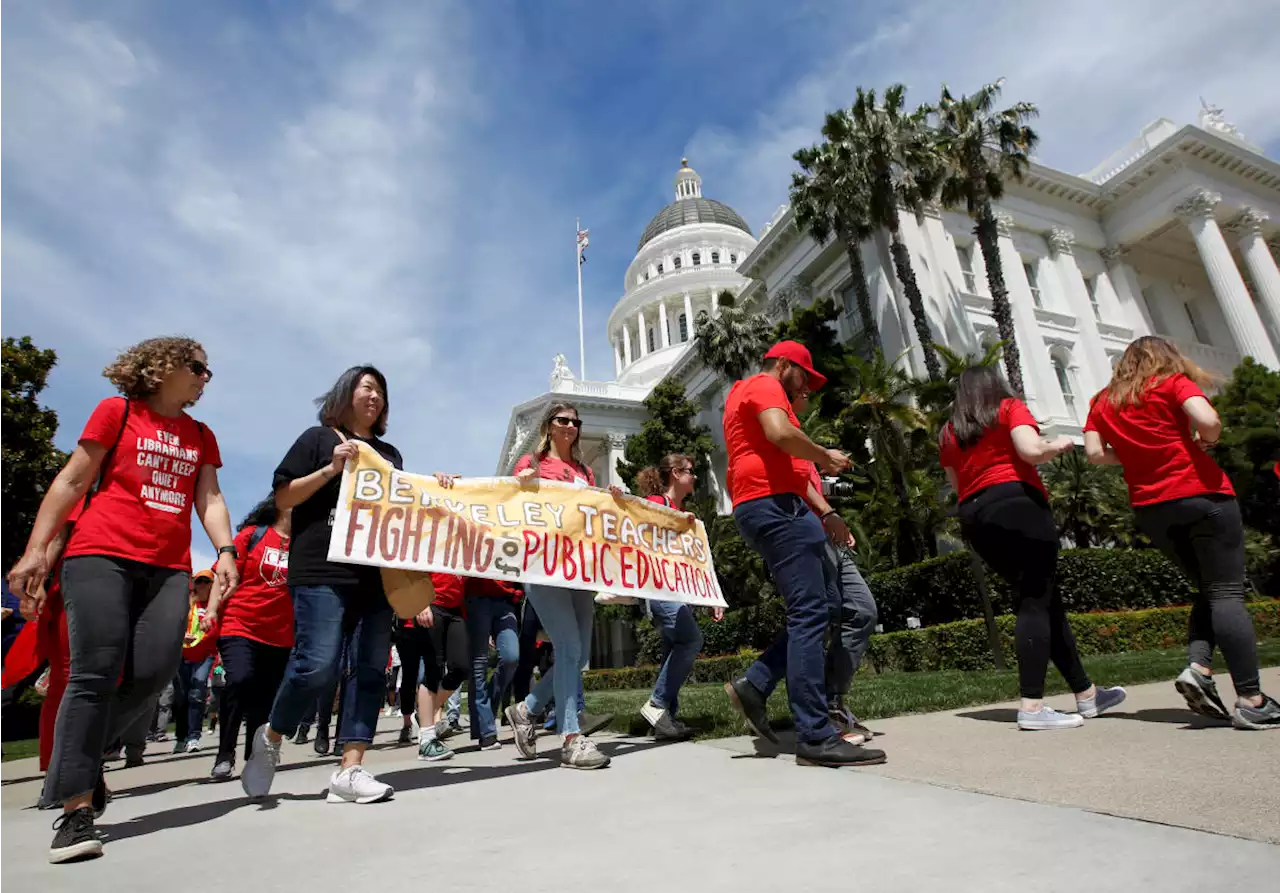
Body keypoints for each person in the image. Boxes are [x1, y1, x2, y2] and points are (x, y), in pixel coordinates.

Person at [7, 336, 237, 863]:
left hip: (167, 565)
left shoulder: (201, 435)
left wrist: (225, 550)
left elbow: (210, 496)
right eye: (197, 367)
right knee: (94, 673)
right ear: (162, 367)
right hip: (100, 554)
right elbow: (72, 479)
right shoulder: (118, 411)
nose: (205, 377)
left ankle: (79, 763)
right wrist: (36, 551)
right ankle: (76, 810)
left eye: (208, 371)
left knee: (156, 671)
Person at [1084, 336, 1279, 730]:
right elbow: (1208, 421)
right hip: (1201, 494)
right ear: (1166, 359)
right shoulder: (1172, 382)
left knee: (1209, 590)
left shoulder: (1102, 402)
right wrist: (1204, 440)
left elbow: (1094, 454)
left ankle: (1199, 669)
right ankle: (1251, 699)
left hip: (1152, 509)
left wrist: (1140, 453)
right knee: (1226, 592)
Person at [239, 365, 401, 804]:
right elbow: (285, 497)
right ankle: (271, 736)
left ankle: (351, 769)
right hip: (321, 570)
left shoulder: (390, 454)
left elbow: (405, 508)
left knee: (369, 671)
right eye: (368, 387)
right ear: (347, 393)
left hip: (374, 574)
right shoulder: (316, 440)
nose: (375, 397)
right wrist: (331, 469)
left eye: (381, 392)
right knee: (316, 666)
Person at [720, 341, 884, 767]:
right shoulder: (765, 385)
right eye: (806, 378)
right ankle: (814, 734)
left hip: (773, 503)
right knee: (811, 613)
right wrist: (824, 454)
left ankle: (756, 685)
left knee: (824, 607)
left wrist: (826, 509)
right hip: (775, 506)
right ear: (786, 365)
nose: (807, 388)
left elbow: (789, 463)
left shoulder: (749, 393)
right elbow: (780, 433)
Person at [939, 365, 1126, 731]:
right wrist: (1053, 446)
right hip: (1017, 503)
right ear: (994, 385)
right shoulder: (1007, 407)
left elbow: (957, 484)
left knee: (1042, 599)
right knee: (1035, 599)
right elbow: (1030, 450)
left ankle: (1087, 695)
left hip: (976, 516)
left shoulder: (948, 432)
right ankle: (1033, 706)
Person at [503, 403, 612, 770]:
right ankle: (570, 737)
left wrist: (611, 502)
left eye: (575, 422)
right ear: (548, 426)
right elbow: (511, 500)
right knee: (567, 645)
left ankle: (526, 709)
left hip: (581, 569)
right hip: (545, 567)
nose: (570, 426)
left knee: (578, 656)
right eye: (562, 420)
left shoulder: (584, 471)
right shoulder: (532, 464)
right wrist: (524, 483)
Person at [790, 385, 878, 743]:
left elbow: (806, 481)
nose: (809, 397)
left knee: (862, 610)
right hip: (810, 531)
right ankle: (823, 707)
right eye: (805, 391)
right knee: (817, 617)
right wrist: (827, 513)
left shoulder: (799, 441)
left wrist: (830, 500)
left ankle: (832, 700)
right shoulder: (784, 434)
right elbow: (792, 481)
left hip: (829, 534)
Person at [633, 454, 723, 741]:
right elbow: (636, 528)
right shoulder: (659, 504)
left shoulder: (682, 512)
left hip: (676, 590)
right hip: (660, 589)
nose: (694, 477)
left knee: (673, 651)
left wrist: (710, 597)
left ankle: (665, 720)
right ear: (675, 473)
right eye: (689, 472)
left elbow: (695, 562)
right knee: (691, 640)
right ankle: (658, 706)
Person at [207, 498, 295, 780]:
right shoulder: (252, 536)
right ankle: (224, 753)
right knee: (239, 681)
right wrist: (211, 609)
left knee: (264, 700)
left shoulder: (306, 546)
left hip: (280, 635)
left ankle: (253, 757)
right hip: (240, 623)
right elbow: (221, 575)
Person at [414, 572, 471, 761]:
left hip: (456, 609)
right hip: (432, 604)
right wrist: (421, 603)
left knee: (461, 668)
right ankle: (427, 742)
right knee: (433, 670)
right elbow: (413, 568)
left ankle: (424, 714)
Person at [464, 577, 523, 750]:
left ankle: (484, 713)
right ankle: (486, 731)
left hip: (506, 598)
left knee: (511, 657)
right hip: (477, 595)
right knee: (478, 663)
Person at [171, 570, 219, 752]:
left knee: (197, 693)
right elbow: (174, 625)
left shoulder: (215, 605)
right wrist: (182, 636)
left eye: (207, 581)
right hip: (183, 655)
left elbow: (217, 630)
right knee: (182, 697)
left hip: (205, 655)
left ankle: (194, 737)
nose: (202, 585)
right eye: (199, 581)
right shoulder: (186, 604)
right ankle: (181, 737)